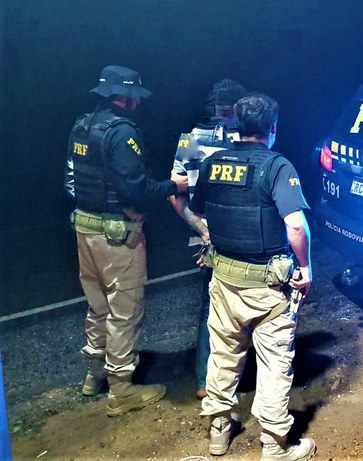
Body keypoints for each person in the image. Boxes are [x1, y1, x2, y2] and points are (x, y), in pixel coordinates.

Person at [189, 93, 316, 459]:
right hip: (268, 288)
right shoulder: (277, 167)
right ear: (272, 128)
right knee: (274, 363)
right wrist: (305, 268)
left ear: (236, 125)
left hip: (224, 281)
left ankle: (218, 432)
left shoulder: (213, 164)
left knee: (223, 355)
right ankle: (274, 445)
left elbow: (202, 214)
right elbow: (295, 226)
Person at [64, 65, 189, 416]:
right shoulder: (122, 133)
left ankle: (94, 375)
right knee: (124, 311)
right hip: (116, 236)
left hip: (85, 229)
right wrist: (175, 186)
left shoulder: (82, 125)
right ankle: (121, 390)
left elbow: (71, 180)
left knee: (97, 306)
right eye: (136, 96)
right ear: (127, 97)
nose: (138, 103)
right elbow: (137, 189)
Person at [168, 79, 247, 400]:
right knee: (246, 305)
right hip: (239, 238)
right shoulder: (245, 139)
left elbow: (175, 195)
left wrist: (201, 230)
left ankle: (206, 380)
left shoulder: (190, 139)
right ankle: (232, 379)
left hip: (207, 240)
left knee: (210, 308)